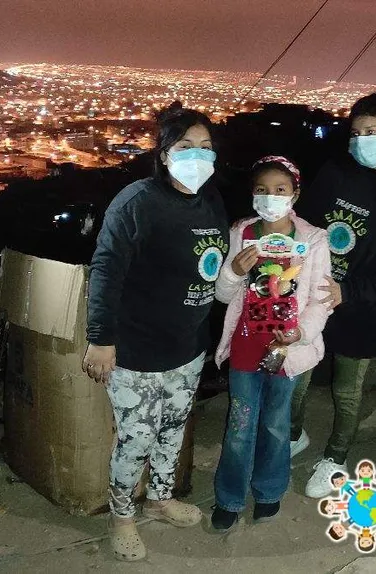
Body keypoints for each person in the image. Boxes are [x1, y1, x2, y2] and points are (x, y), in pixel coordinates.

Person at [83, 102, 229, 562]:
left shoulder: (211, 200)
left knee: (173, 430)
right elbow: (106, 270)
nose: (198, 155)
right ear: (164, 155)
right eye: (186, 146)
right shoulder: (137, 202)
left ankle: (161, 499)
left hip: (188, 346)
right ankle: (122, 516)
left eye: (206, 147)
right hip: (137, 349)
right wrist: (100, 339)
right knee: (136, 440)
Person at [290, 93, 376, 498]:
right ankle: (293, 435)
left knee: (347, 390)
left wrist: (350, 291)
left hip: (361, 306)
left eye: (372, 131)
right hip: (315, 296)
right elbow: (305, 225)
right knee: (296, 377)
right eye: (355, 133)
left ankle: (336, 457)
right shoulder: (335, 173)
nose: (361, 140)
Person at [210, 156, 332, 532]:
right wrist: (234, 271)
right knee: (240, 426)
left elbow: (321, 298)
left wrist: (301, 333)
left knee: (277, 425)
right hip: (246, 348)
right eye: (262, 190)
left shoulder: (313, 240)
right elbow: (223, 294)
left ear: (295, 193)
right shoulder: (242, 232)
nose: (271, 197)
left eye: (280, 189)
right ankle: (229, 497)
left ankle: (269, 491)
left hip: (286, 351)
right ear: (252, 194)